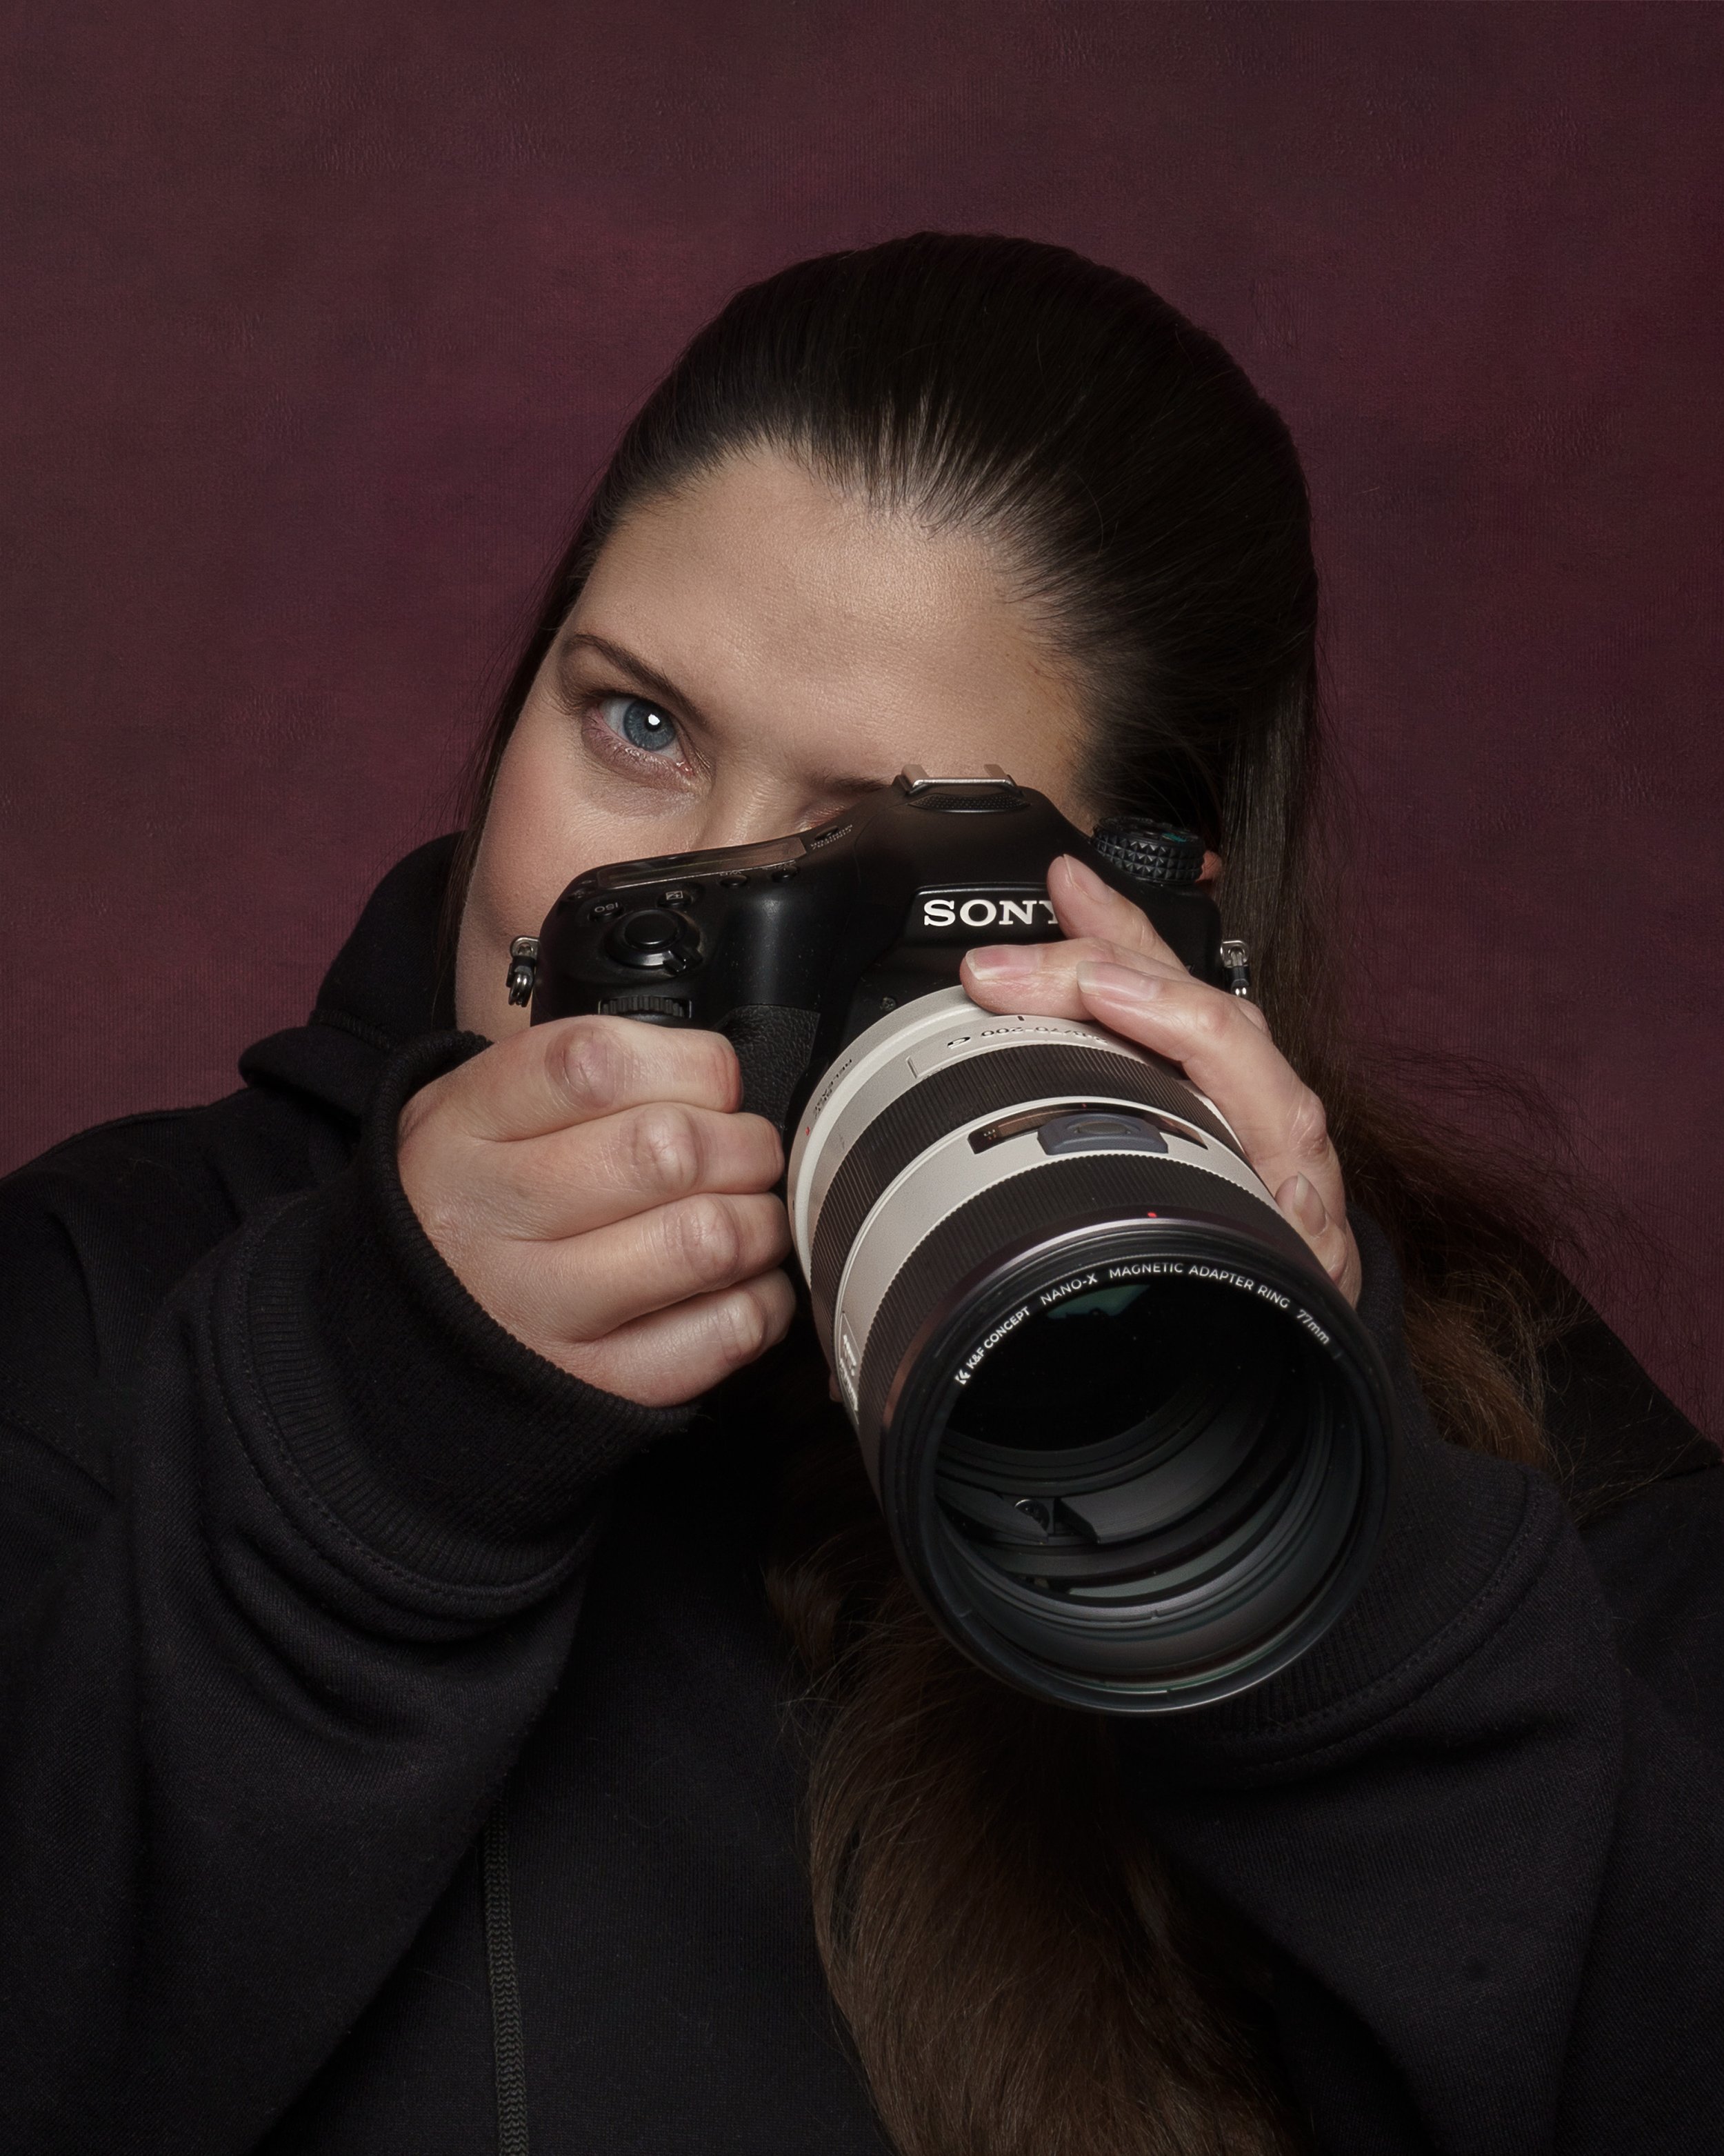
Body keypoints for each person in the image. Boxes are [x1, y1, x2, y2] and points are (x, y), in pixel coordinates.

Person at [0, 234, 1717, 2156]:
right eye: (635, 724)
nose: (692, 910)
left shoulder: (1476, 1425)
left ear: (1138, 923)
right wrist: (365, 1443)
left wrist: (1308, 1551)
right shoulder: (104, 1300)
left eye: (867, 849)